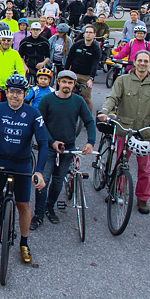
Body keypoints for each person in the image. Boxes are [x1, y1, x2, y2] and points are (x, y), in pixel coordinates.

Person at [0, 74, 47, 263]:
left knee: (23, 205)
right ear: (6, 92)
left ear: (25, 94)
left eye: (19, 92)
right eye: (12, 92)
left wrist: (38, 171)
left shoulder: (33, 113)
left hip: (22, 163)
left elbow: (43, 143)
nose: (15, 96)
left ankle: (24, 243)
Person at [97, 51, 150, 214]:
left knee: (145, 168)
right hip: (124, 129)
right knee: (120, 163)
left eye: (146, 61)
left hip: (145, 132)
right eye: (140, 60)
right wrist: (105, 111)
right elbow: (113, 98)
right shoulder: (123, 80)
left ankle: (142, 198)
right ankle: (115, 191)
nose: (142, 63)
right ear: (134, 62)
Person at [31, 70, 95, 230]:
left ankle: (49, 207)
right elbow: (40, 123)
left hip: (68, 148)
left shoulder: (78, 101)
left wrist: (90, 142)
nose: (67, 85)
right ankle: (38, 213)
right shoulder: (47, 100)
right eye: (64, 82)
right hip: (49, 147)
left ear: (74, 85)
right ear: (58, 82)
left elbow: (89, 122)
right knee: (43, 180)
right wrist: (51, 142)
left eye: (70, 83)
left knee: (58, 181)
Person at [65, 24, 101, 113]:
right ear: (84, 34)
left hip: (86, 76)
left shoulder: (96, 48)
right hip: (74, 74)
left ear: (94, 35)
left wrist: (91, 79)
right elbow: (69, 58)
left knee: (87, 98)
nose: (88, 34)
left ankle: (88, 120)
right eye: (87, 32)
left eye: (91, 32)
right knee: (66, 94)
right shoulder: (77, 45)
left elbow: (95, 64)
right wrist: (66, 72)